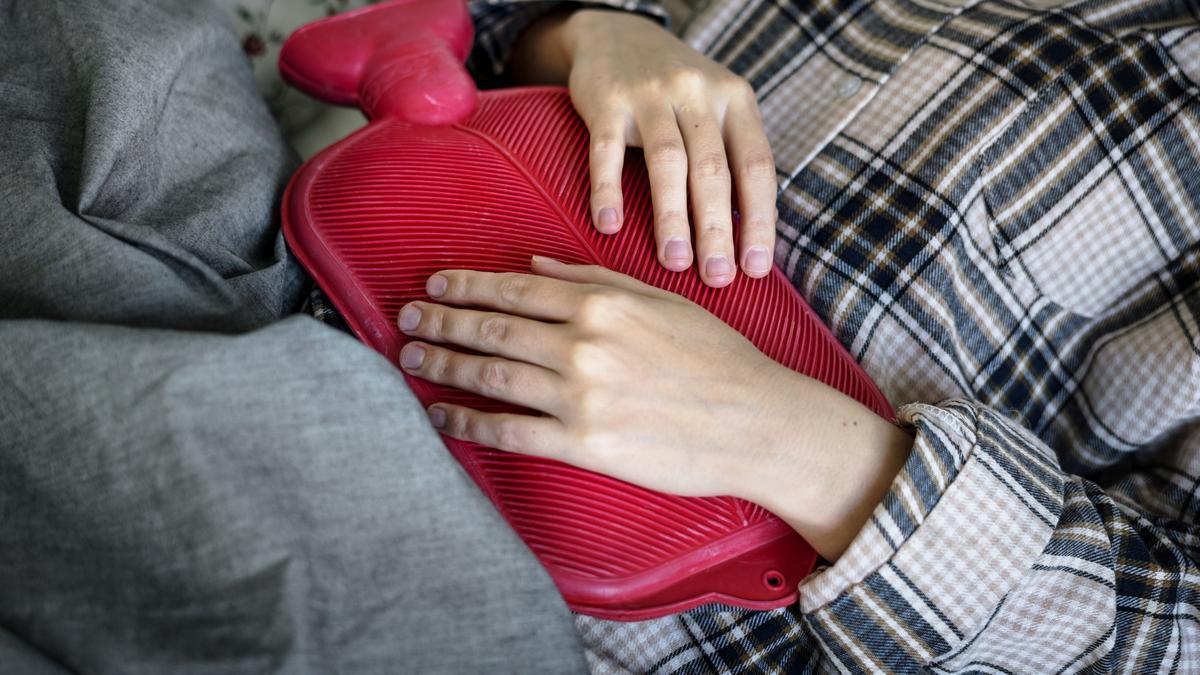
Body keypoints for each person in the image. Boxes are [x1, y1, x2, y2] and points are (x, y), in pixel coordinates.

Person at [0, 2, 1195, 675]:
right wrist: (594, 32)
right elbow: (499, 28)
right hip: (333, 247)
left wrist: (803, 449)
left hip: (572, 598)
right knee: (91, 38)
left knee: (282, 438)